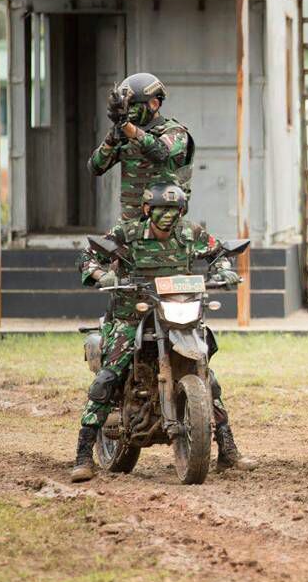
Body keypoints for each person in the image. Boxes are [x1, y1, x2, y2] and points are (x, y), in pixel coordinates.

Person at [69, 183, 256, 482]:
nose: (167, 216)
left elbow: (218, 250)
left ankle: (227, 449)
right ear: (147, 210)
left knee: (210, 379)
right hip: (131, 315)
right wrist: (101, 274)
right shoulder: (126, 234)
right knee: (110, 374)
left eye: (173, 210)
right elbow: (88, 256)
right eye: (161, 210)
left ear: (181, 211)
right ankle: (83, 455)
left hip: (177, 313)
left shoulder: (189, 233)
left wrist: (223, 267)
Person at [89, 72, 194, 222]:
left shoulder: (175, 132)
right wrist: (112, 137)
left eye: (131, 105)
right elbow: (95, 167)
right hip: (130, 229)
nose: (127, 111)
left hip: (165, 229)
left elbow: (161, 153)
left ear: (154, 104)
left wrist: (127, 126)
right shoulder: (124, 133)